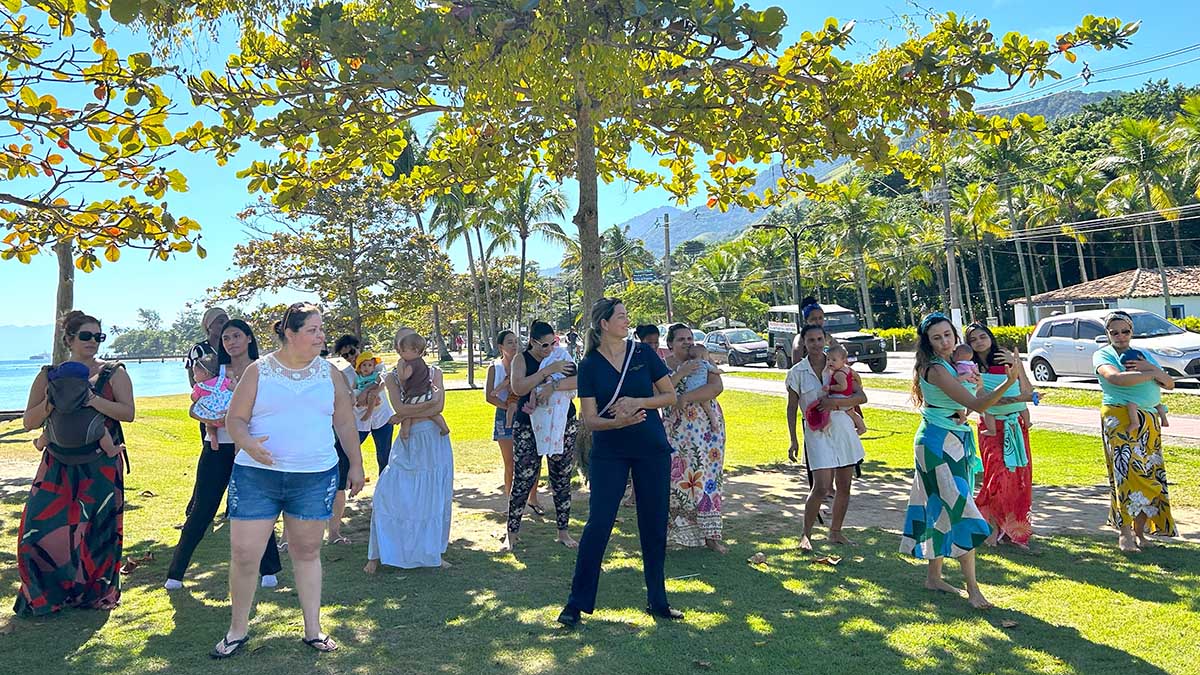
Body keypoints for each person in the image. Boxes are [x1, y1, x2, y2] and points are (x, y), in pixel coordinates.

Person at [211, 303, 365, 658]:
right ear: (290, 334)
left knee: (307, 552)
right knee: (244, 554)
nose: (321, 336)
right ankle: (237, 630)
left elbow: (344, 422)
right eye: (313, 330)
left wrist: (355, 465)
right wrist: (248, 442)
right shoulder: (258, 371)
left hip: (314, 478)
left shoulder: (330, 374)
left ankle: (313, 630)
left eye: (321, 329)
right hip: (256, 477)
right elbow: (235, 419)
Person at [558, 298, 681, 628]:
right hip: (609, 450)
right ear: (604, 324)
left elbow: (670, 396)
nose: (627, 322)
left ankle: (658, 601)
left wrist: (638, 402)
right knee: (598, 525)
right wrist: (617, 423)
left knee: (653, 526)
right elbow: (590, 419)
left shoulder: (643, 354)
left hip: (651, 449)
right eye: (622, 317)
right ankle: (576, 604)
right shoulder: (588, 365)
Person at [15, 310, 134, 615]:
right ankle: (45, 595)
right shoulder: (48, 375)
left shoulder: (114, 372)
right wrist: (52, 401)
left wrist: (92, 399)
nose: (93, 342)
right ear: (69, 338)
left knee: (98, 532)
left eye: (98, 336)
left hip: (100, 465)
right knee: (38, 530)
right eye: (86, 336)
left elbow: (127, 413)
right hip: (56, 464)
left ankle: (96, 595)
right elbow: (29, 421)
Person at [899, 312, 1018, 610]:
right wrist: (1009, 382)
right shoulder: (937, 369)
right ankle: (973, 590)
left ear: (955, 335)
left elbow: (969, 403)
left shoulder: (953, 365)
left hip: (952, 441)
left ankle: (934, 577)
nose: (944, 342)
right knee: (962, 509)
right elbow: (978, 405)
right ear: (927, 342)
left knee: (941, 507)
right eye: (936, 338)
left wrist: (977, 385)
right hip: (938, 445)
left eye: (947, 335)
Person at [165, 319, 282, 590]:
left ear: (249, 338)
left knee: (256, 507)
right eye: (227, 338)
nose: (232, 342)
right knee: (203, 508)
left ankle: (269, 570)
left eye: (237, 336)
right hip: (218, 448)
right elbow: (199, 406)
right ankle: (176, 572)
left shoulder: (264, 370)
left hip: (253, 447)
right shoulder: (214, 373)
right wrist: (210, 419)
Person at [365, 325, 456, 572]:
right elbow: (402, 408)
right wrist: (417, 411)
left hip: (433, 440)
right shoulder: (393, 377)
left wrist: (409, 413)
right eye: (400, 342)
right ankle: (382, 551)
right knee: (392, 491)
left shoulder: (434, 372)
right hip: (409, 441)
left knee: (432, 496)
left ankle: (431, 550)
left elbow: (439, 407)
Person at [1093, 310, 1176, 553]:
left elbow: (1169, 384)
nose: (1120, 336)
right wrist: (1152, 373)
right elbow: (1117, 379)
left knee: (1149, 475)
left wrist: (1151, 369)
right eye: (1114, 332)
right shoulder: (1103, 354)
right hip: (1119, 418)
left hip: (1149, 420)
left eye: (1125, 331)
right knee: (1125, 474)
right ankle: (1125, 533)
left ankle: (1141, 532)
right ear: (1107, 334)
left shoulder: (1144, 354)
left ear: (1132, 331)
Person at [785, 325, 868, 552]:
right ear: (803, 343)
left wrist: (837, 403)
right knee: (821, 487)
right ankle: (806, 534)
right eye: (810, 340)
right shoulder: (797, 372)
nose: (816, 344)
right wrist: (793, 439)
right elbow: (792, 407)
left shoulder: (841, 365)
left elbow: (861, 396)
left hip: (842, 427)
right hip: (816, 430)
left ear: (825, 339)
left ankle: (836, 532)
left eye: (819, 339)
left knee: (844, 484)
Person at [501, 321, 579, 552]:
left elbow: (580, 379)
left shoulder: (561, 355)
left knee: (561, 478)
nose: (549, 348)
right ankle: (512, 534)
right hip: (529, 425)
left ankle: (563, 532)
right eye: (544, 345)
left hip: (562, 423)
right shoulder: (521, 359)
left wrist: (554, 387)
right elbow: (518, 388)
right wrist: (546, 372)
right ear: (533, 342)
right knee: (524, 478)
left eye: (552, 343)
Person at [965, 323, 1036, 549]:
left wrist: (1017, 365)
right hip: (991, 426)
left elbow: (1028, 391)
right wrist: (1017, 399)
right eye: (973, 339)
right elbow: (982, 400)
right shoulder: (970, 368)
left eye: (982, 336)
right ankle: (992, 526)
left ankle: (1015, 531)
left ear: (991, 337)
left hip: (1016, 425)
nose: (979, 341)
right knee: (997, 478)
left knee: (1019, 479)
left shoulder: (1006, 360)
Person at [662, 323, 728, 553]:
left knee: (708, 478)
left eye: (690, 338)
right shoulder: (664, 366)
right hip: (677, 431)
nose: (687, 343)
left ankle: (710, 535)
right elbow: (660, 391)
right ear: (670, 343)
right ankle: (677, 535)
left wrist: (686, 397)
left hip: (706, 431)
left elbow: (715, 387)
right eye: (681, 339)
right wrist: (681, 373)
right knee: (678, 479)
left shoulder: (703, 358)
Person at [485, 330, 542, 517]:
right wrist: (508, 406)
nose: (514, 345)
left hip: (527, 414)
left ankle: (533, 498)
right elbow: (489, 396)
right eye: (510, 342)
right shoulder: (495, 368)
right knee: (510, 462)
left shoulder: (525, 363)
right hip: (505, 416)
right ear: (501, 347)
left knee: (532, 459)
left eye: (516, 341)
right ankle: (512, 502)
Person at [32, 361, 123, 459]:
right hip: (87, 429)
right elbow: (92, 397)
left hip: (58, 431)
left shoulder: (53, 389)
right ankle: (110, 450)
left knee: (46, 434)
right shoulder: (86, 388)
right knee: (103, 431)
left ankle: (39, 444)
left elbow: (47, 398)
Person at [394, 333, 451, 438]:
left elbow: (403, 376)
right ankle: (444, 427)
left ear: (415, 351)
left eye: (403, 351)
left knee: (406, 415)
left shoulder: (411, 364)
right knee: (433, 414)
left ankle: (405, 433)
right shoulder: (421, 362)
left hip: (415, 394)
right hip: (426, 391)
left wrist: (399, 366)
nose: (401, 354)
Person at [351, 351, 396, 472]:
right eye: (363, 365)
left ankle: (385, 483)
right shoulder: (355, 376)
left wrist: (371, 391)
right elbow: (353, 393)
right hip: (360, 421)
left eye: (369, 365)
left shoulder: (378, 372)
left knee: (384, 454)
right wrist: (360, 397)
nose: (366, 368)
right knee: (348, 450)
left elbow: (383, 382)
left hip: (381, 417)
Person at [822, 344, 867, 436]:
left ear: (843, 360)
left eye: (834, 360)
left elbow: (843, 387)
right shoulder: (848, 369)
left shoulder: (839, 374)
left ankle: (827, 423)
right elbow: (856, 376)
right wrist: (859, 384)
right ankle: (861, 427)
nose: (830, 362)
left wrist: (830, 387)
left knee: (826, 406)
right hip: (848, 397)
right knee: (853, 413)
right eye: (828, 359)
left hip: (839, 397)